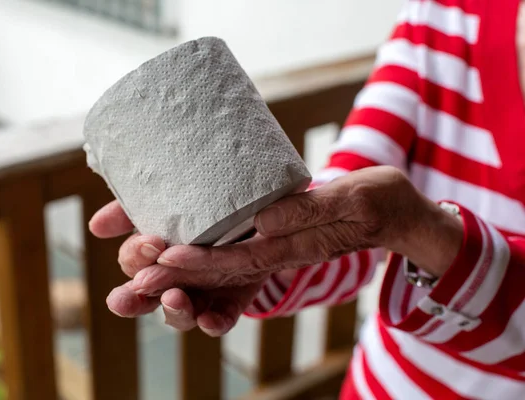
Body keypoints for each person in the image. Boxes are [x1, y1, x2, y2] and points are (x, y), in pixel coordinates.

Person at [89, 0, 525, 397]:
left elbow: (383, 215)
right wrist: (254, 256)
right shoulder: (443, 14)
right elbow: (354, 196)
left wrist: (425, 233)